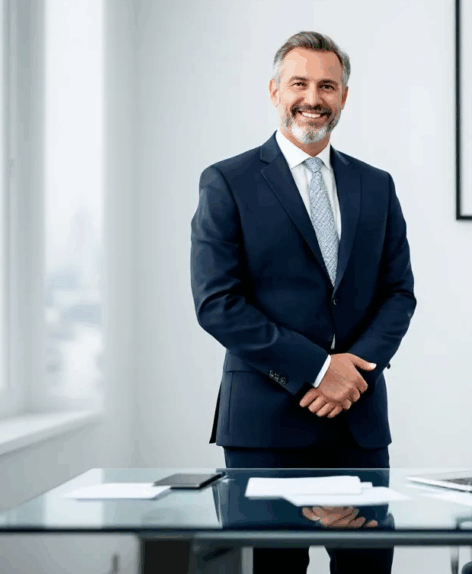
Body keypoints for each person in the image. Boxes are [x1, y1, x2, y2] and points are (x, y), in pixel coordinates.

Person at [189, 30, 416, 574]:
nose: (312, 97)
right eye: (299, 83)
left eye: (327, 85)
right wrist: (318, 370)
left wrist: (351, 375)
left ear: (343, 97)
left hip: (357, 425)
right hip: (264, 428)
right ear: (274, 91)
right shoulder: (228, 181)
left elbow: (399, 293)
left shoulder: (376, 185)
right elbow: (217, 302)